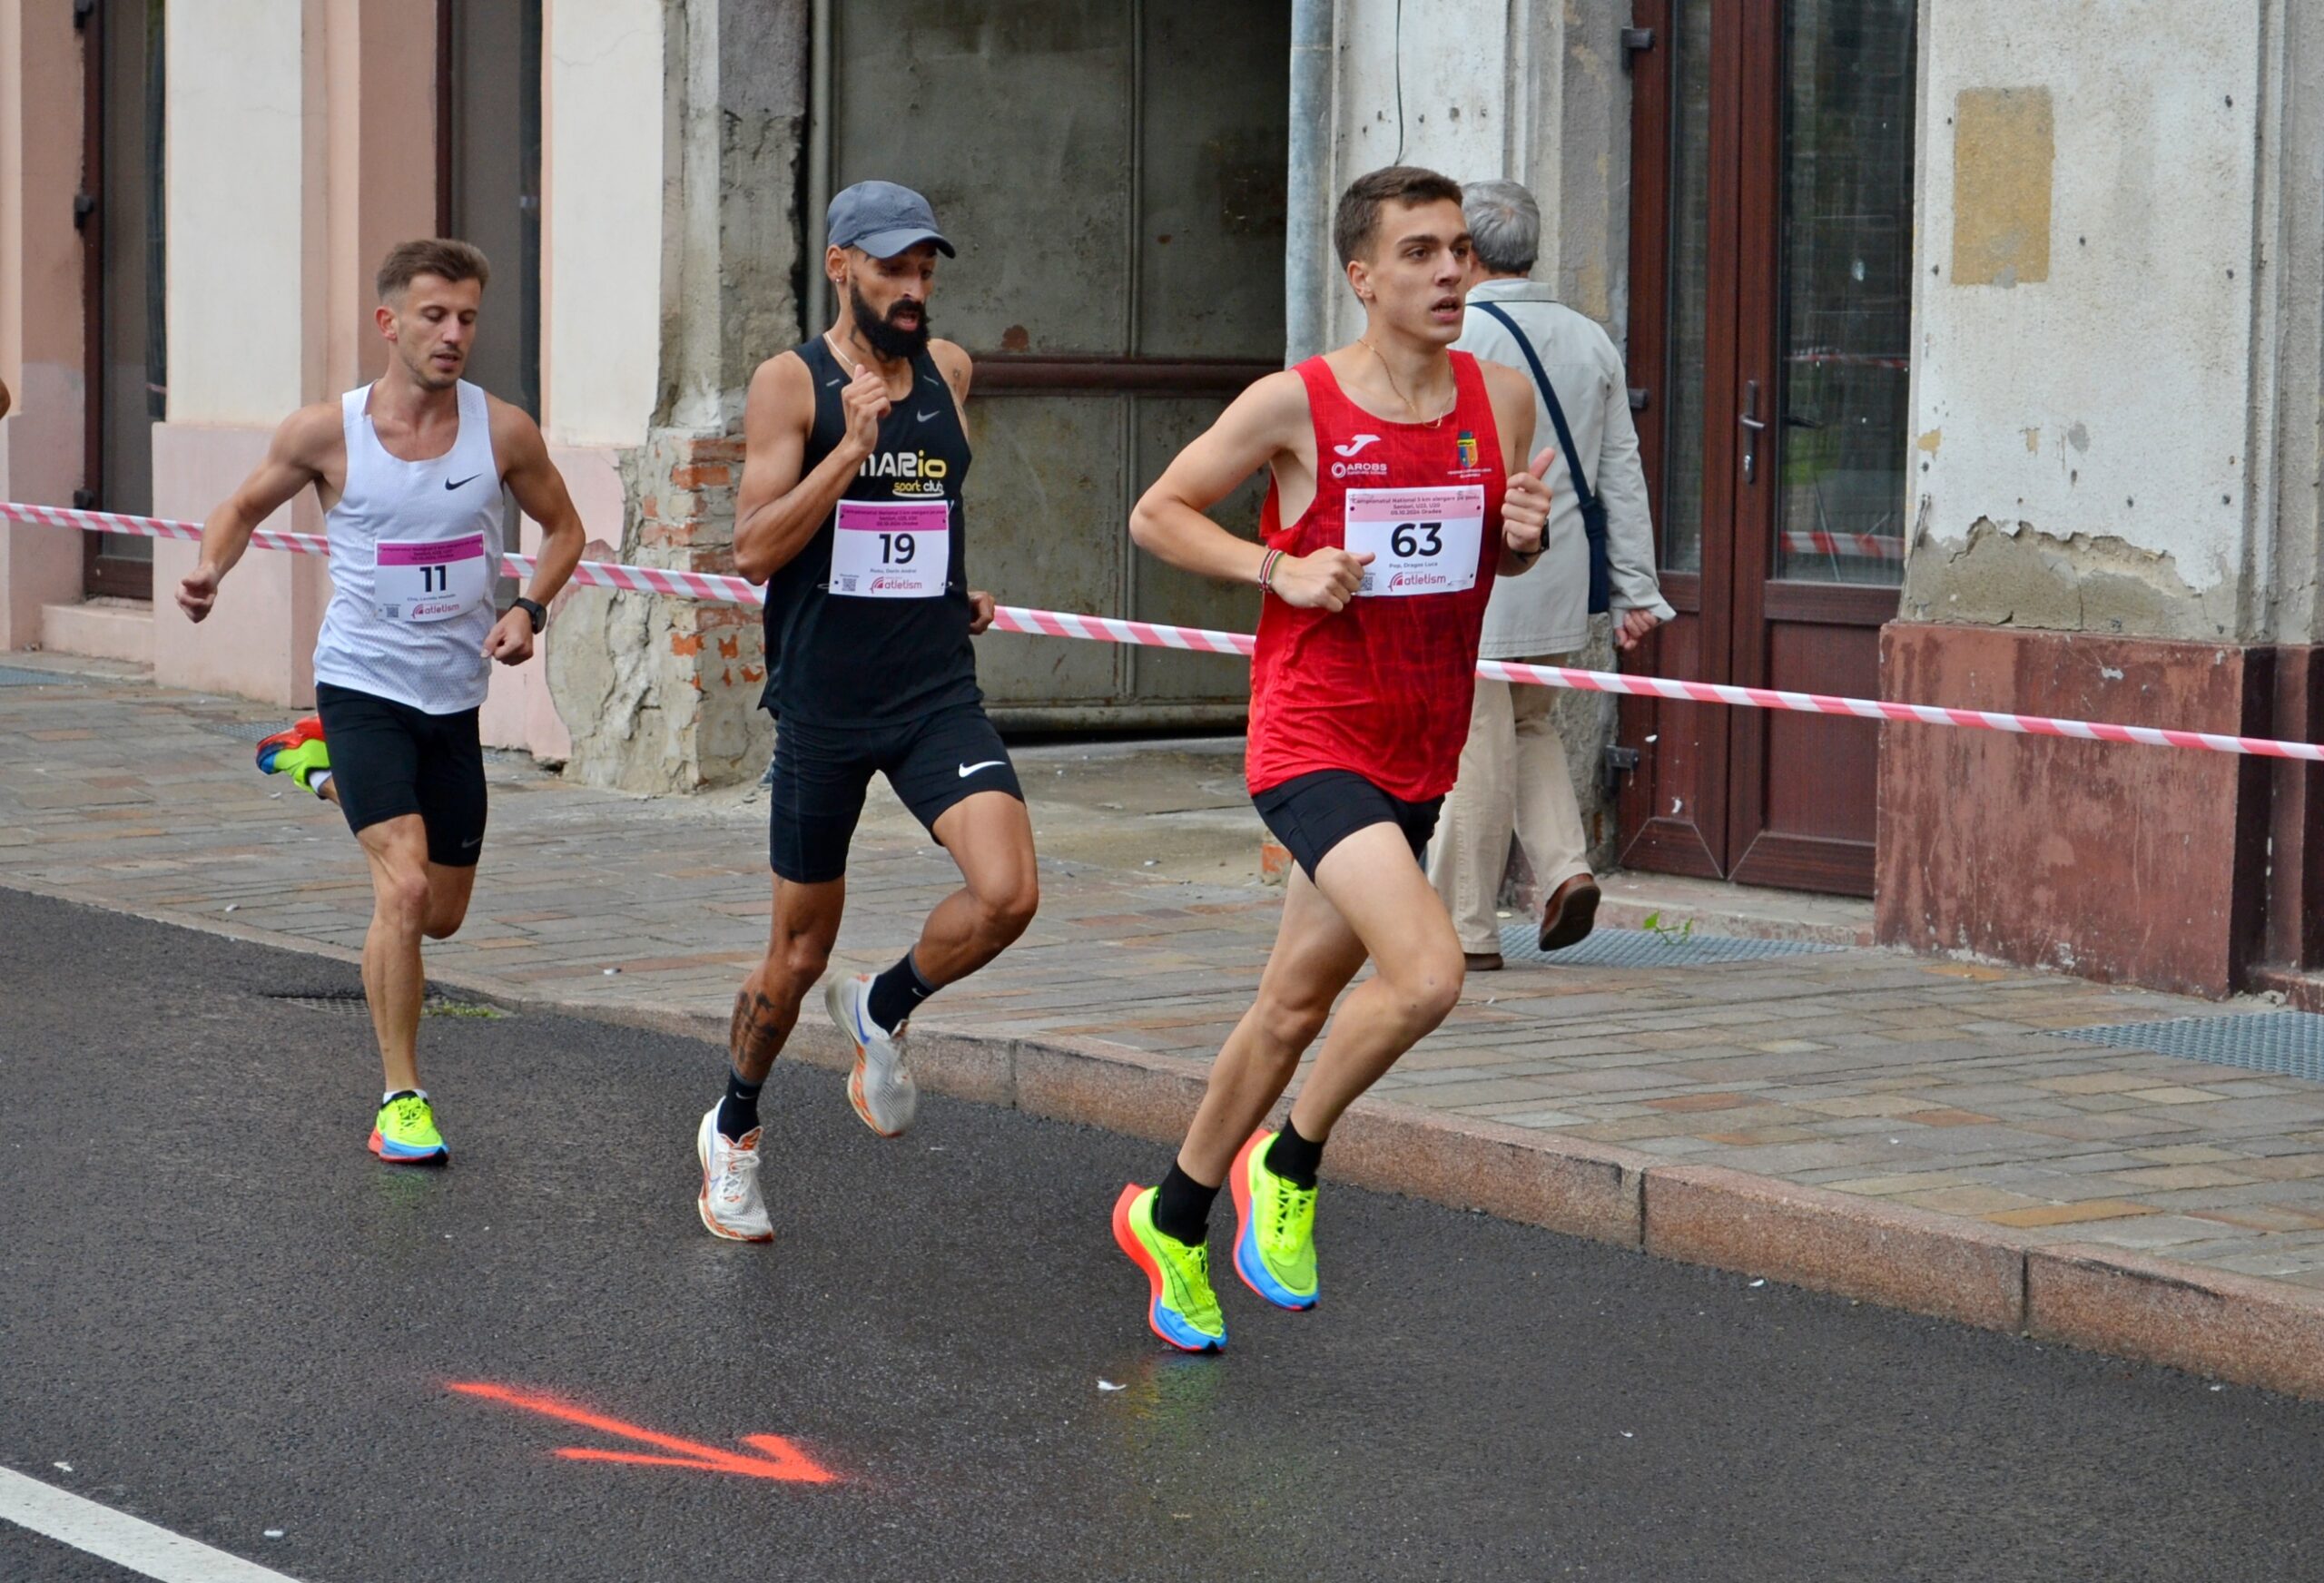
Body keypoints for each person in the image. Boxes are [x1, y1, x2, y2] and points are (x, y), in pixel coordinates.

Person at [1112, 166, 1553, 1351]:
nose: (1451, 270)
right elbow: (1158, 512)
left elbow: (1480, 563)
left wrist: (1525, 538)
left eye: (1459, 248)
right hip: (1312, 737)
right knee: (1426, 975)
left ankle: (1172, 1215)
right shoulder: (1296, 404)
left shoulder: (1497, 399)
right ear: (1364, 278)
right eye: (1419, 252)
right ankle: (1290, 1163)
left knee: (1292, 1004)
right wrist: (1280, 570)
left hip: (1420, 746)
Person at [176, 239, 586, 1165]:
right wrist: (208, 567)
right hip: (361, 682)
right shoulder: (329, 432)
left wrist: (529, 608)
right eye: (434, 316)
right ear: (388, 322)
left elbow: (565, 528)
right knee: (400, 889)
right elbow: (239, 509)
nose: (453, 335)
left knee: (443, 912)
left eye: (468, 318)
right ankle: (402, 1098)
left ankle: (314, 767)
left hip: (453, 700)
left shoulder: (503, 431)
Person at [694, 181, 1039, 1244]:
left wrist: (951, 586)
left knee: (1008, 893)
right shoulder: (789, 385)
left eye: (927, 268)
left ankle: (884, 1006)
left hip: (933, 692)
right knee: (795, 958)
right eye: (894, 268)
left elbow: (925, 509)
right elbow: (752, 548)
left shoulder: (948, 370)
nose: (914, 288)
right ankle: (733, 1129)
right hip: (827, 712)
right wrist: (846, 451)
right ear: (841, 264)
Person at [1427, 180, 1673, 968]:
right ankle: (1565, 869)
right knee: (1526, 723)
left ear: (1468, 252)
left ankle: (1465, 932)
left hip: (1479, 569)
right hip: (1557, 573)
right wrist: (1636, 587)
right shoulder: (1589, 337)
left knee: (1473, 740)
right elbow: (1620, 473)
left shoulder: (1458, 337)